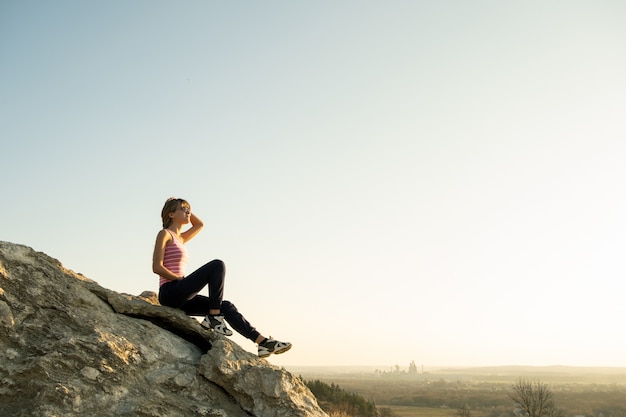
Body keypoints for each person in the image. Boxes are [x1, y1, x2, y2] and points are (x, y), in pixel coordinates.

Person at [152, 197, 291, 358]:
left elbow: (199, 224)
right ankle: (214, 317)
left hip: (182, 295)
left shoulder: (181, 238)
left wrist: (186, 208)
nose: (187, 212)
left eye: (188, 209)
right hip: (170, 292)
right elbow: (157, 267)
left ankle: (263, 343)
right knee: (217, 265)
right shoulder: (165, 234)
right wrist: (178, 279)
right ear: (171, 214)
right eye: (183, 209)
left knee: (226, 306)